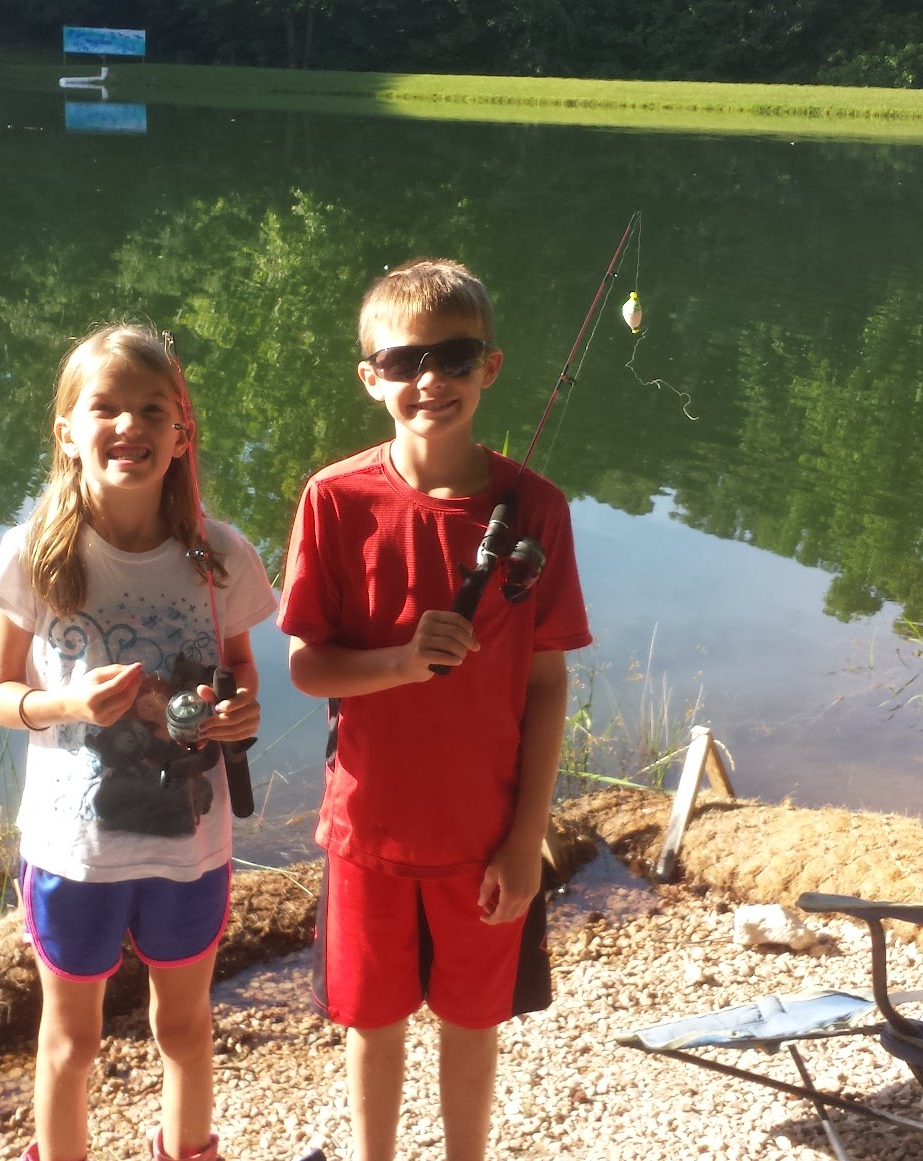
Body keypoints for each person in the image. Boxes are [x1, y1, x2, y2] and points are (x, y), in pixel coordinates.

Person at [279, 259, 593, 1161]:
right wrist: (402, 663)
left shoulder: (539, 508)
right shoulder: (334, 499)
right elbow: (307, 669)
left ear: (489, 366)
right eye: (404, 360)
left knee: (472, 1022)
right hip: (368, 832)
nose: (430, 380)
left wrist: (526, 839)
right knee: (372, 1023)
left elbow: (546, 683)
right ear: (370, 377)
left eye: (454, 357)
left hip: (484, 834)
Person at [0, 322, 278, 1161]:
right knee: (71, 1041)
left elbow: (242, 668)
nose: (129, 426)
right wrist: (67, 701)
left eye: (153, 409)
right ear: (67, 432)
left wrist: (240, 711)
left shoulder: (220, 554)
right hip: (74, 850)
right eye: (105, 407)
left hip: (190, 844)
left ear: (182, 435)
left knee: (184, 1025)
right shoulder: (34, 554)